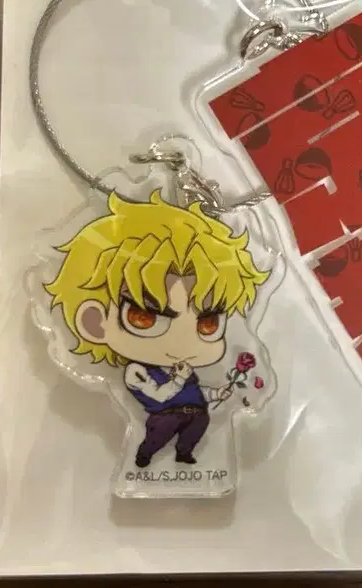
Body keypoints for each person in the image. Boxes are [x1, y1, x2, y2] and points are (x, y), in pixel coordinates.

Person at [45, 190, 269, 466]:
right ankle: (144, 457)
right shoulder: (137, 371)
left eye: (207, 323)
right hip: (164, 416)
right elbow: (159, 395)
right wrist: (179, 379)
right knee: (157, 438)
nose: (184, 342)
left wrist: (215, 394)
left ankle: (184, 455)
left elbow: (196, 392)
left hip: (196, 413)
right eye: (144, 318)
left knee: (195, 432)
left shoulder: (184, 370)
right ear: (95, 322)